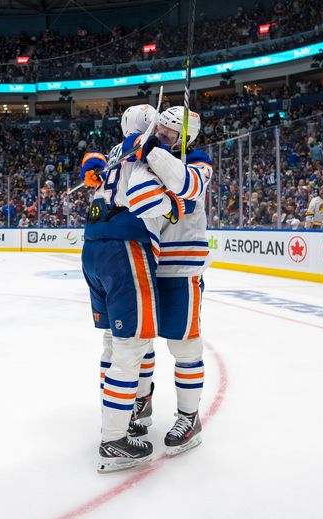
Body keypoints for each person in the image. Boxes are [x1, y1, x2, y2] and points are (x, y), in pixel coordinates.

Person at [80, 103, 162, 472]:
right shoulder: (147, 154)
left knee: (113, 344)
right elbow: (149, 198)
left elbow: (93, 163)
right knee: (132, 346)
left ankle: (122, 415)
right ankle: (114, 437)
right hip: (125, 248)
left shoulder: (113, 155)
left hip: (93, 248)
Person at [128, 105, 213, 457]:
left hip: (182, 268)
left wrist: (153, 151)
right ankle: (142, 402)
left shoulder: (199, 162)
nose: (160, 135)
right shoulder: (154, 161)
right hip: (151, 263)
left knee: (184, 346)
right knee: (143, 342)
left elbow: (185, 184)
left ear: (185, 138)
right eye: (158, 130)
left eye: (168, 133)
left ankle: (189, 417)